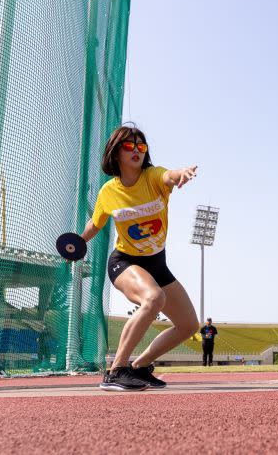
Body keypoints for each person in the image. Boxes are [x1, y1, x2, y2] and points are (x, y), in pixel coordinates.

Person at [80, 124, 200, 391]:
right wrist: (77, 244)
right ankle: (116, 370)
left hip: (156, 264)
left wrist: (182, 173)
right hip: (125, 262)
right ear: (116, 152)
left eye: (141, 146)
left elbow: (169, 175)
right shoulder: (108, 192)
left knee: (189, 324)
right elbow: (95, 225)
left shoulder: (153, 177)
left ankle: (139, 366)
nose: (136, 150)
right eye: (129, 145)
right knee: (154, 298)